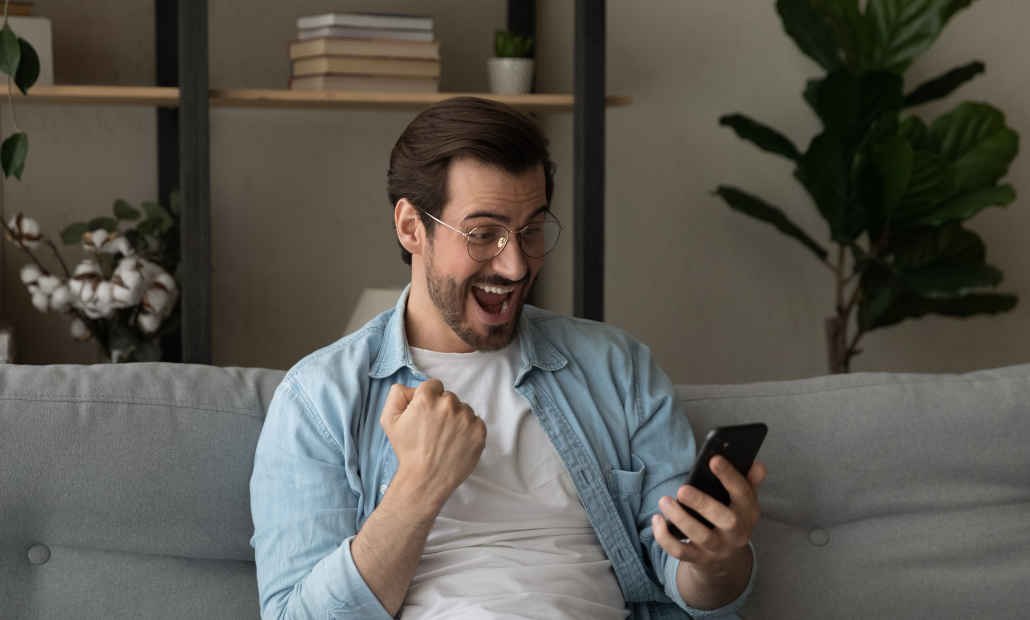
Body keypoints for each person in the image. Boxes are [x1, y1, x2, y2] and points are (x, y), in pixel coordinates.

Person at [250, 96, 767, 619]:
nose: (516, 265)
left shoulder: (617, 368)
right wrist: (417, 489)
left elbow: (691, 582)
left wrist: (717, 560)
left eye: (531, 231)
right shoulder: (319, 400)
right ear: (411, 228)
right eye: (483, 234)